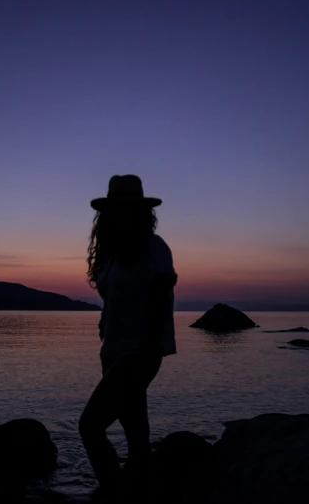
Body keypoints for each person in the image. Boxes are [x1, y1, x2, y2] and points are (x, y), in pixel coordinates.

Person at [79, 175, 177, 502]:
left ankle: (112, 495)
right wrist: (104, 325)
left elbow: (162, 295)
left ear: (139, 211)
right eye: (114, 209)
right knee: (137, 437)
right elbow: (114, 300)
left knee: (90, 427)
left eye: (127, 208)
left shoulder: (153, 247)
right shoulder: (110, 255)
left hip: (139, 352)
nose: (119, 214)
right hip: (113, 351)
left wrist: (151, 347)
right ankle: (141, 490)